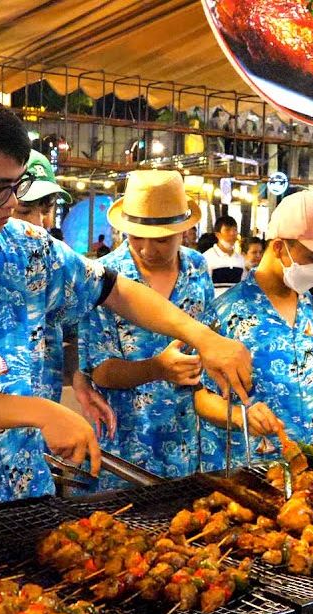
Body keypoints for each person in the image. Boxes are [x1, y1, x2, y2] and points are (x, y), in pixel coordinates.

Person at [0, 94, 252, 510]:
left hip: (27, 496)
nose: (10, 203)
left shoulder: (28, 250)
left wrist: (203, 337)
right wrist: (42, 411)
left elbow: (114, 289)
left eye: (17, 185)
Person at [196, 191, 313, 455]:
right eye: (312, 258)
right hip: (249, 469)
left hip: (307, 458)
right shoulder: (226, 312)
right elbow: (199, 394)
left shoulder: (306, 301)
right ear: (277, 247)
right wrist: (241, 416)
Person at [80, 170, 215, 487]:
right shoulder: (105, 279)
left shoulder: (196, 268)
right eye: (136, 237)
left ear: (184, 231)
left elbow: (210, 340)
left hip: (188, 444)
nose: (146, 249)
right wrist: (157, 369)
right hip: (128, 448)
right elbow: (100, 371)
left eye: (162, 240)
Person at [12, 150, 116, 440]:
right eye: (24, 211)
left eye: (47, 211)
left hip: (39, 445)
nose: (40, 223)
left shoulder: (50, 262)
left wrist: (80, 380)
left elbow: (110, 293)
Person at [203, 215, 246, 296]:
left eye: (235, 230)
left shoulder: (241, 260)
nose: (232, 233)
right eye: (227, 230)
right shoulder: (206, 258)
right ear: (217, 234)